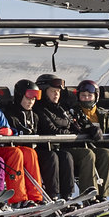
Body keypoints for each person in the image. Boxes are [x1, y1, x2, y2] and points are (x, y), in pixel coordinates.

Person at [31, 73, 78, 201]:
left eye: (58, 91)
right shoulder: (38, 108)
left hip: (56, 147)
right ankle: (53, 194)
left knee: (66, 156)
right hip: (41, 148)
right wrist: (68, 133)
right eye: (53, 91)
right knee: (52, 157)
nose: (56, 94)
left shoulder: (60, 108)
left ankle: (67, 195)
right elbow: (49, 129)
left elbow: (74, 126)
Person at [70, 78, 109, 200]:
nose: (86, 99)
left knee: (106, 154)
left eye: (89, 96)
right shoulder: (74, 112)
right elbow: (74, 128)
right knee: (88, 155)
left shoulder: (102, 114)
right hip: (78, 148)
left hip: (96, 147)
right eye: (83, 95)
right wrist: (87, 130)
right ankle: (89, 194)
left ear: (96, 97)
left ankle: (103, 194)